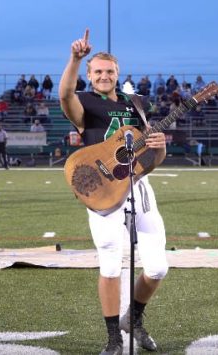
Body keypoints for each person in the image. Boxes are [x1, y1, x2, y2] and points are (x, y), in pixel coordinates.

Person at [59, 29, 168, 354]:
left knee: (158, 267)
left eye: (109, 71)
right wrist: (75, 59)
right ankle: (113, 338)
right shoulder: (86, 103)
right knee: (110, 264)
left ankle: (132, 318)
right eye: (98, 71)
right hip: (104, 189)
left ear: (117, 74)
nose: (104, 76)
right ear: (90, 76)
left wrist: (159, 148)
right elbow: (66, 96)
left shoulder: (137, 105)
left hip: (138, 185)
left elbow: (151, 160)